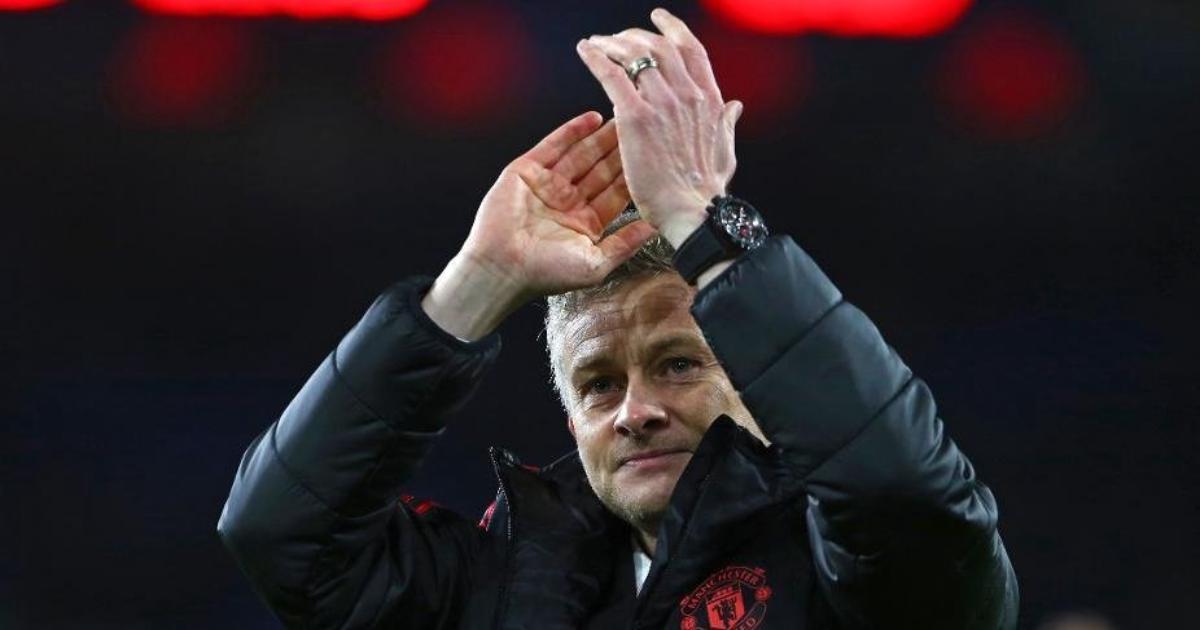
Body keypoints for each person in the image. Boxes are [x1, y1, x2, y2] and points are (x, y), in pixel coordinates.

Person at [218, 8, 1018, 629]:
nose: (635, 411)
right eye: (599, 385)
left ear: (762, 385)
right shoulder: (495, 584)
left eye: (678, 363)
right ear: (571, 421)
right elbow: (282, 537)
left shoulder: (851, 569)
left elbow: (908, 498)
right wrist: (476, 284)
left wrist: (704, 227)